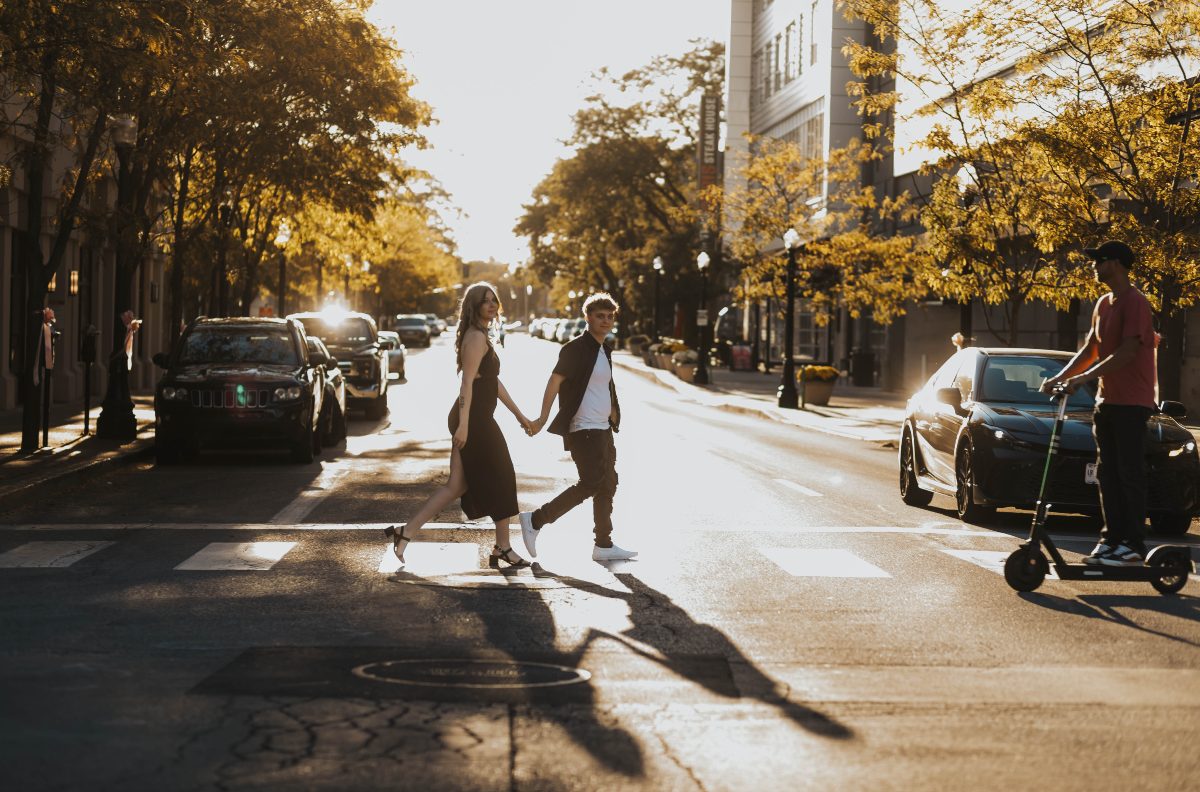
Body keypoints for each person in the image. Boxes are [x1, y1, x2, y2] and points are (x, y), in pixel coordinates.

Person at [385, 283, 534, 570]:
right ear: (474, 306)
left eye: (494, 300)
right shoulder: (476, 337)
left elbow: (492, 383)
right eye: (485, 301)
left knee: (456, 485)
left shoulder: (482, 335)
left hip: (475, 417)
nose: (492, 305)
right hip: (474, 420)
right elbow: (466, 384)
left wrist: (520, 415)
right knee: (503, 475)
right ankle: (503, 547)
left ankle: (405, 532)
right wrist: (463, 426)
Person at [1041, 240, 1158, 567]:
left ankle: (1132, 545)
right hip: (1107, 402)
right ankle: (1112, 540)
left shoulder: (1135, 303)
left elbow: (1127, 352)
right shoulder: (1103, 304)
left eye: (1100, 260)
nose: (1094, 265)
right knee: (1107, 475)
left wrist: (1082, 379)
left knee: (1128, 474)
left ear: (1117, 264)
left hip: (1133, 403)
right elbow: (1091, 349)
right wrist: (1060, 376)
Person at [519, 293, 637, 562]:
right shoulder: (575, 348)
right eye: (600, 316)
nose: (605, 321)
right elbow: (554, 382)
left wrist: (614, 413)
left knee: (608, 484)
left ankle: (603, 545)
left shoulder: (604, 349)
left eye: (610, 316)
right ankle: (535, 520)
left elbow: (604, 386)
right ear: (588, 317)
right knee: (591, 483)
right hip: (584, 429)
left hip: (603, 429)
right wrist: (542, 417)